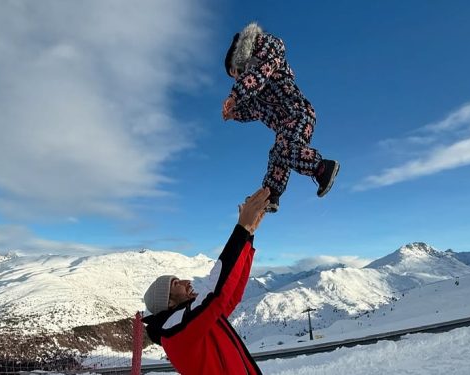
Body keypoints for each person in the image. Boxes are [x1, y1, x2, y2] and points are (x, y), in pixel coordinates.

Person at [142, 187, 270, 375]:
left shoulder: (194, 323)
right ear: (168, 302)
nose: (186, 281)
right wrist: (241, 230)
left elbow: (231, 294)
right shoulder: (174, 329)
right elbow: (215, 294)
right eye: (176, 284)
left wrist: (248, 235)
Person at [223, 21, 340, 213]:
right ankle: (271, 195)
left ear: (240, 60)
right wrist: (234, 114)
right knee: (277, 154)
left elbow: (259, 73)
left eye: (234, 73)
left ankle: (321, 167)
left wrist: (235, 95)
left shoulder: (267, 54)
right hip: (286, 124)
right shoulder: (257, 92)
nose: (236, 79)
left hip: (298, 113)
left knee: (286, 150)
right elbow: (253, 110)